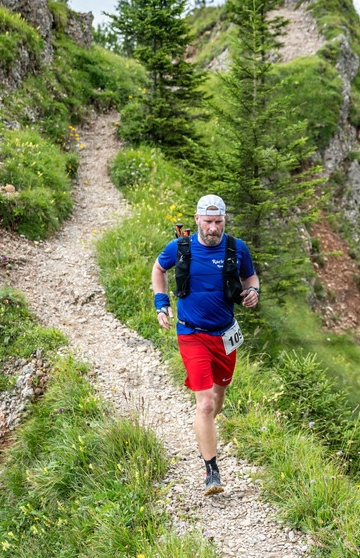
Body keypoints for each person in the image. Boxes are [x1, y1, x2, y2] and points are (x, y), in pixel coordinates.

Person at [152, 194, 259, 495]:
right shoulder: (180, 248)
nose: (213, 229)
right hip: (192, 334)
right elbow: (159, 269)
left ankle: (204, 428)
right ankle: (212, 471)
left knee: (218, 402)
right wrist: (162, 303)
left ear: (225, 221)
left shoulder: (237, 249)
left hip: (225, 336)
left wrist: (253, 293)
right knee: (206, 403)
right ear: (197, 220)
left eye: (219, 222)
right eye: (208, 222)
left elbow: (250, 277)